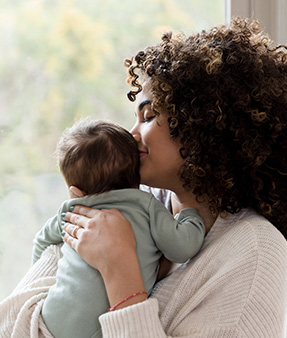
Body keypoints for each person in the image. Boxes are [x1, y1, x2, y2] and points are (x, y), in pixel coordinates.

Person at [0, 16, 286, 338]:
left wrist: (120, 270)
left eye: (148, 116)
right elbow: (12, 325)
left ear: (203, 125)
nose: (131, 134)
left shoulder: (255, 251)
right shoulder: (131, 199)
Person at [32, 118, 205, 338]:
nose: (135, 132)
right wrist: (190, 215)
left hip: (53, 318)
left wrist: (45, 285)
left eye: (148, 116)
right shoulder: (146, 205)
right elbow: (182, 248)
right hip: (110, 325)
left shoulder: (71, 210)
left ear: (76, 191)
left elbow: (41, 242)